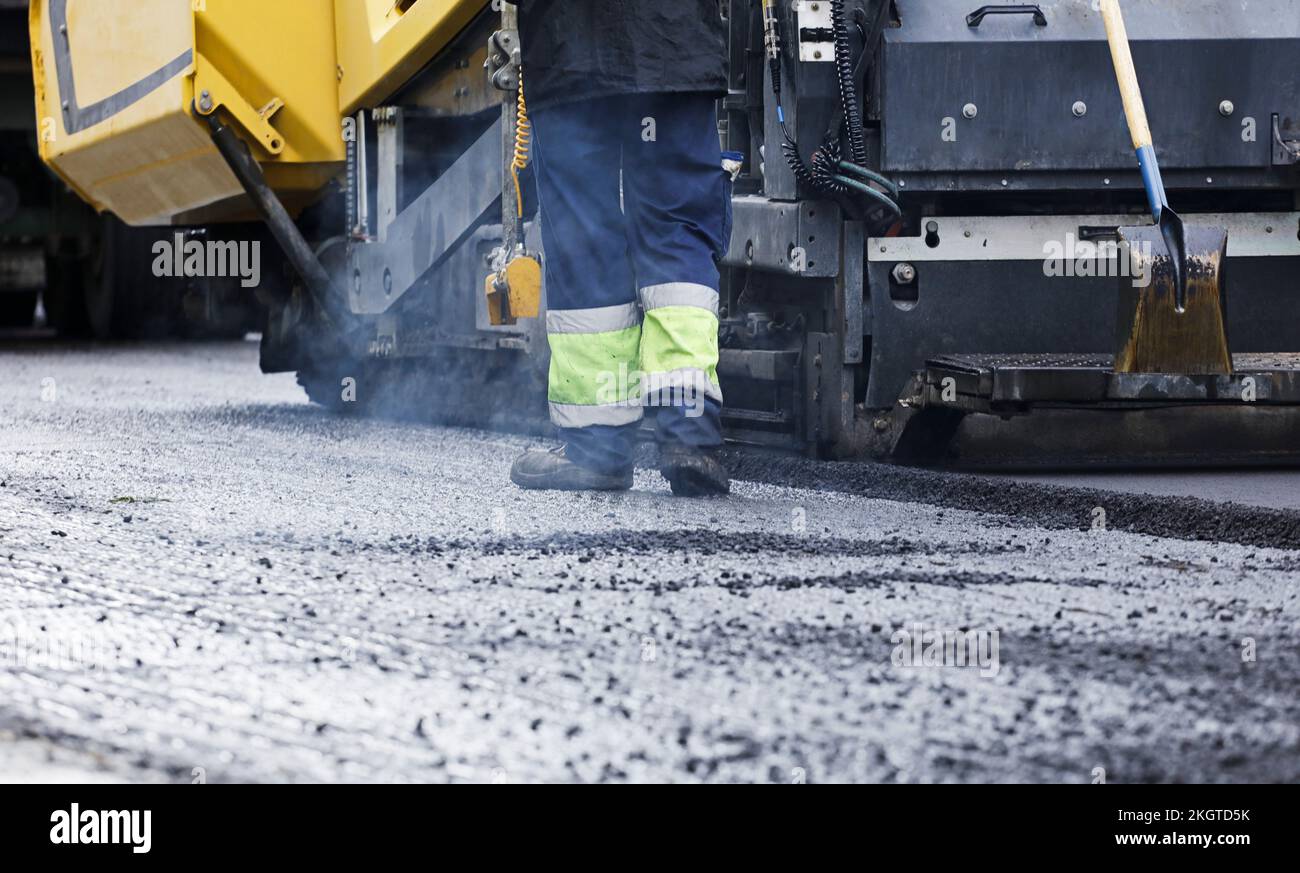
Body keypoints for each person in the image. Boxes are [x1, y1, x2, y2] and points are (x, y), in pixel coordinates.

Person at [508, 0, 732, 497]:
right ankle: (690, 434)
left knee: (585, 239)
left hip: (572, 54)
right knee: (677, 229)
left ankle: (597, 448)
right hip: (674, 49)